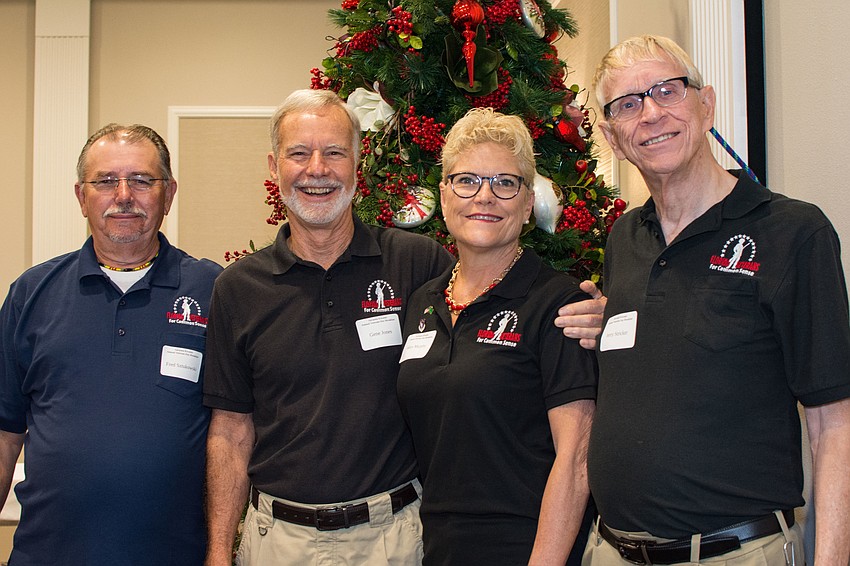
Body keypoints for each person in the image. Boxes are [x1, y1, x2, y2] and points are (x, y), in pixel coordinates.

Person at [580, 35, 850, 565]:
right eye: (628, 104)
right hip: (611, 550)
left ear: (706, 106)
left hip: (735, 553)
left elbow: (834, 424)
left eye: (667, 90)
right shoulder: (622, 240)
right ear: (613, 139)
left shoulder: (793, 232)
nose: (651, 113)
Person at [202, 89, 454, 566]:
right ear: (275, 167)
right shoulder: (237, 288)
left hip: (396, 538)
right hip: (276, 542)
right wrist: (218, 552)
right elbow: (231, 432)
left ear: (357, 166)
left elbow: (484, 340)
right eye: (299, 153)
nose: (317, 169)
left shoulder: (418, 263)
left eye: (335, 152)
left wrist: (572, 312)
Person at [0, 124, 222, 565]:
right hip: (47, 554)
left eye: (142, 180)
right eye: (105, 181)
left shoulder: (213, 290)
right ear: (82, 196)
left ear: (169, 193)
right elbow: (5, 433)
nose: (124, 195)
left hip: (175, 556)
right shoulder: (32, 293)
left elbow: (234, 432)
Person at [396, 108, 597, 565]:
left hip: (529, 549)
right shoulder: (423, 303)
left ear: (528, 204)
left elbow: (577, 458)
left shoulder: (557, 304)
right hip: (440, 549)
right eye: (466, 181)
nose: (484, 197)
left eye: (505, 183)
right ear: (444, 195)